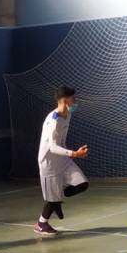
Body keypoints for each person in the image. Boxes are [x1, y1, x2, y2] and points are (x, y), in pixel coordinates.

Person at [34, 86, 90, 236]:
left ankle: (57, 199)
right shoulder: (54, 120)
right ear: (65, 100)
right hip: (48, 163)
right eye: (73, 98)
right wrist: (75, 153)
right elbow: (52, 147)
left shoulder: (68, 115)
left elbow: (61, 141)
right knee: (51, 200)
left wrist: (72, 154)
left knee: (82, 184)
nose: (75, 101)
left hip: (62, 159)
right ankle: (41, 224)